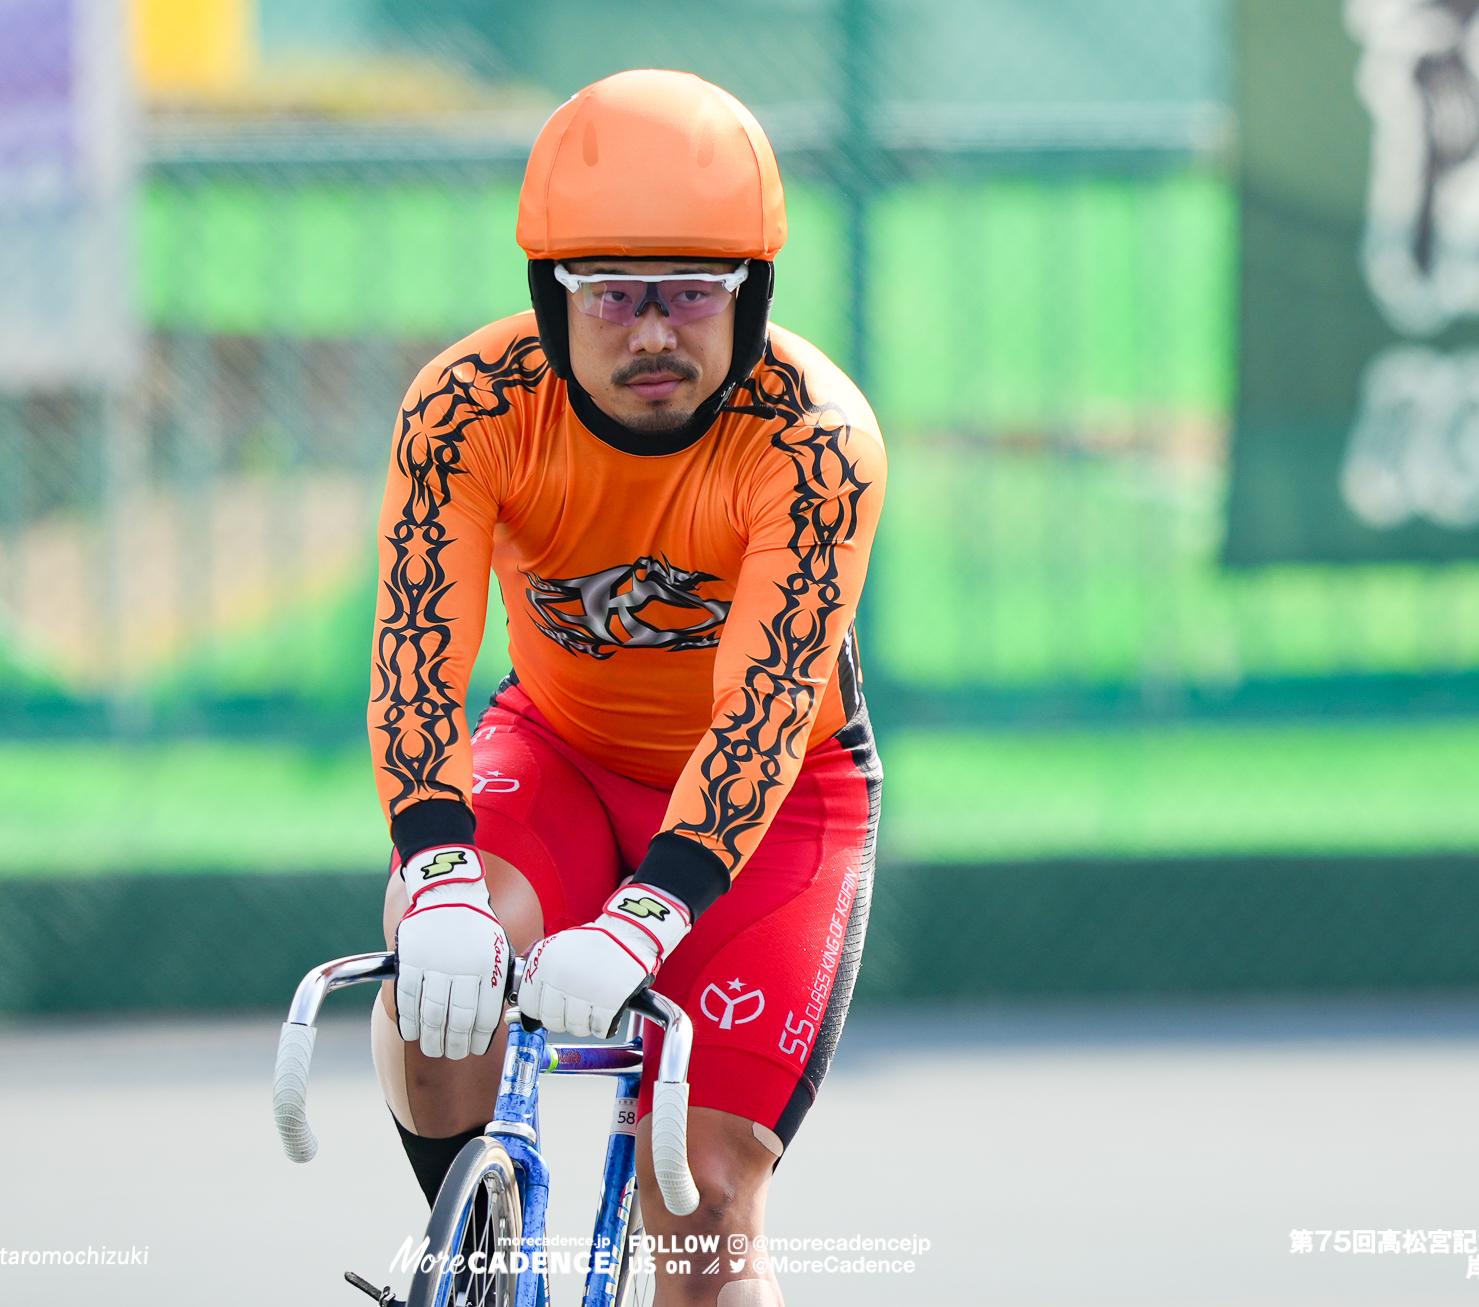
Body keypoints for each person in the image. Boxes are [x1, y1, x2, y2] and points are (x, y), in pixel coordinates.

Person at [368, 68, 886, 1307]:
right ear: (551, 298)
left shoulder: (817, 442)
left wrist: (645, 918)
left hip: (776, 803)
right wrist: (434, 878)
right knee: (440, 982)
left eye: (691, 293)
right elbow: (417, 658)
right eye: (612, 294)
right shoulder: (467, 406)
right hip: (555, 745)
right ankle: (474, 1265)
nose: (653, 330)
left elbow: (759, 721)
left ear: (751, 295)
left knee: (703, 1196)